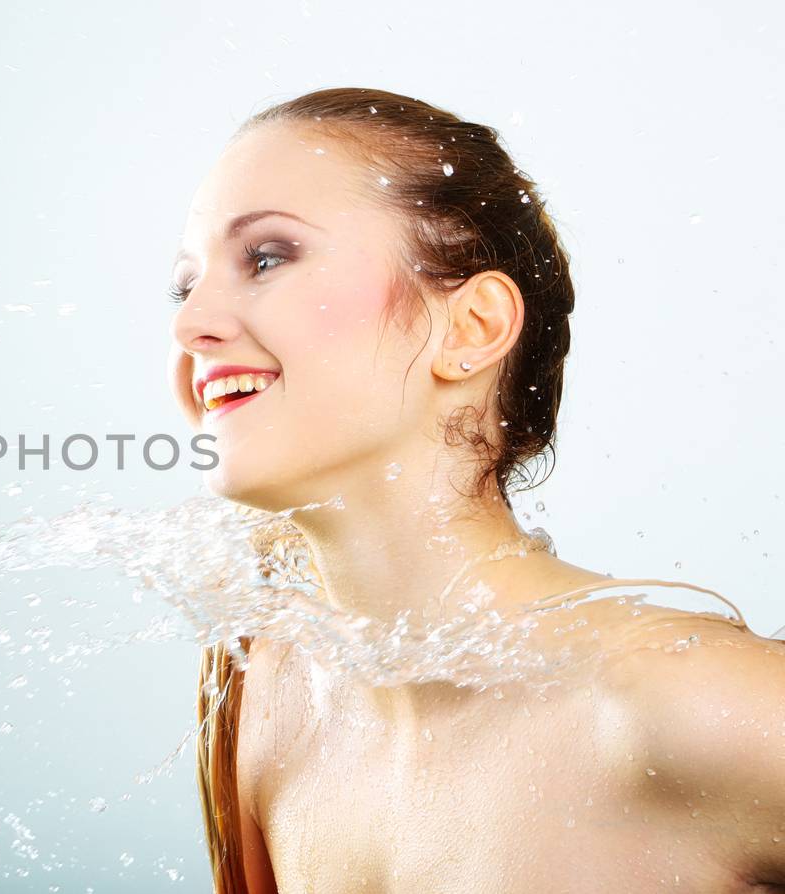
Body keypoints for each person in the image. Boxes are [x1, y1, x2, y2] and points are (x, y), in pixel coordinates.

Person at [168, 87, 785, 893]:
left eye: (269, 257)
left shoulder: (691, 708)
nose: (190, 325)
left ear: (473, 327)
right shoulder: (268, 698)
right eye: (183, 287)